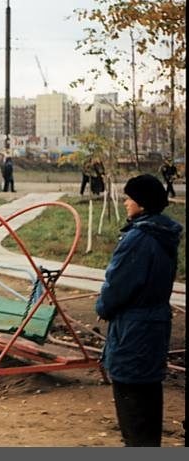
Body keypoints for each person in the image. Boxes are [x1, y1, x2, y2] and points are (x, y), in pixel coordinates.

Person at [95, 174, 182, 447]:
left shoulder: (138, 239)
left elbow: (118, 284)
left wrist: (103, 307)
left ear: (142, 204)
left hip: (133, 328)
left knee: (131, 401)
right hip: (154, 324)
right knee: (148, 399)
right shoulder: (164, 235)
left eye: (129, 198)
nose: (124, 202)